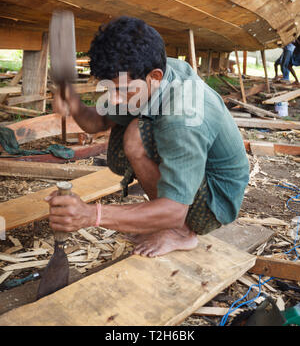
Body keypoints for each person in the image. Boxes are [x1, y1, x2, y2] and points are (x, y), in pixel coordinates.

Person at [46, 16, 249, 258]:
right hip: (196, 169)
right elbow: (98, 123)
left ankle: (182, 233)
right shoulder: (146, 74)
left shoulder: (182, 118)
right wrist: (71, 98)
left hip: (216, 199)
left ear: (155, 77)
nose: (114, 100)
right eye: (109, 89)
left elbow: (174, 210)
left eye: (121, 90)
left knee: (135, 135)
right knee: (133, 126)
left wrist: (91, 215)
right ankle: (163, 220)